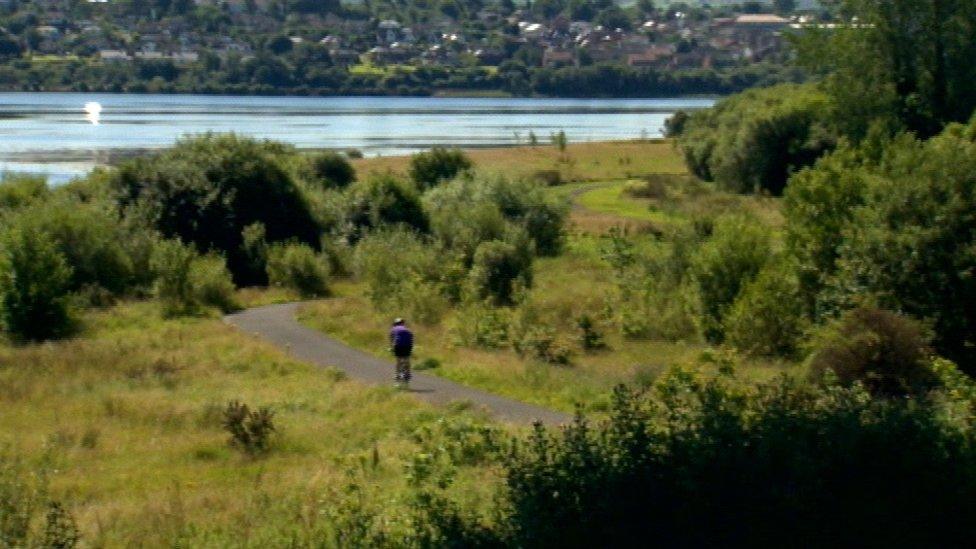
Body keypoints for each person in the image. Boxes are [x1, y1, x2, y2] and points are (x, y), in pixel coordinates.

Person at [389, 318, 413, 387]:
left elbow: (391, 339)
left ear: (395, 324)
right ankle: (407, 374)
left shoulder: (393, 329)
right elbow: (411, 339)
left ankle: (397, 378)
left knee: (398, 361)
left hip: (398, 346)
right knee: (407, 359)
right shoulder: (407, 329)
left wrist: (391, 348)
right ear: (402, 323)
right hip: (408, 346)